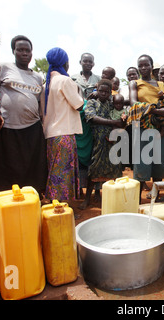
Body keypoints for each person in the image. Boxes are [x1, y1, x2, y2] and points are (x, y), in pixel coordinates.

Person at [0, 35, 47, 196]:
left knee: (33, 167)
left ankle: (32, 199)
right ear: (13, 51)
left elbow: (39, 102)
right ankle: (5, 202)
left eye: (27, 50)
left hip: (32, 129)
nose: (24, 53)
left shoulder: (37, 77)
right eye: (20, 50)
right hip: (7, 127)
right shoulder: (3, 68)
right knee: (5, 168)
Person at [128, 54, 164, 202]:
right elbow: (133, 103)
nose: (143, 68)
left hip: (160, 126)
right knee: (142, 160)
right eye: (140, 65)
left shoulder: (161, 85)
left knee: (160, 160)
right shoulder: (135, 83)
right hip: (142, 126)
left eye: (146, 65)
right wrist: (156, 111)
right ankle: (138, 197)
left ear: (151, 65)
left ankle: (156, 194)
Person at [42, 47, 84, 202]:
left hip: (51, 135)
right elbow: (79, 105)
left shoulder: (47, 83)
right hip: (64, 134)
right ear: (64, 63)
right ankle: (62, 209)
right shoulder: (65, 81)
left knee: (55, 172)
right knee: (63, 175)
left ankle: (55, 207)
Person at [79, 79, 124, 210]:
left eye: (106, 92)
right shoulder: (92, 102)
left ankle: (116, 199)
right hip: (97, 141)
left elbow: (121, 111)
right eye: (101, 91)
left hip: (111, 141)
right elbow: (92, 117)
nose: (103, 94)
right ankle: (87, 198)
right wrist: (113, 122)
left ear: (110, 93)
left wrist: (120, 120)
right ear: (96, 91)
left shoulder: (112, 104)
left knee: (114, 169)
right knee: (94, 169)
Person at [71, 53, 100, 202]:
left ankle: (96, 190)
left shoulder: (98, 79)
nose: (88, 63)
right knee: (77, 154)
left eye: (90, 61)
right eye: (85, 61)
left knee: (93, 154)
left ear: (93, 64)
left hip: (93, 121)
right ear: (80, 62)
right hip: (77, 119)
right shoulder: (72, 78)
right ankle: (78, 189)